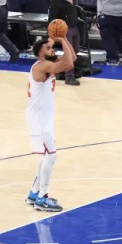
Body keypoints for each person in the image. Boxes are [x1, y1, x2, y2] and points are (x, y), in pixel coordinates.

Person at [25, 35, 75, 212]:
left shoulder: (46, 64)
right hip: (39, 118)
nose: (52, 51)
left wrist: (64, 39)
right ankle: (42, 198)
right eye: (48, 48)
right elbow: (69, 64)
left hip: (42, 116)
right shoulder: (43, 65)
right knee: (51, 156)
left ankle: (34, 193)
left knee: (46, 156)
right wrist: (61, 40)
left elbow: (72, 58)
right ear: (40, 53)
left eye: (52, 48)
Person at [47, 0, 80, 86]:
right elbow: (52, 18)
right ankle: (69, 77)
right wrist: (51, 35)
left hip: (74, 26)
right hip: (65, 29)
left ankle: (58, 69)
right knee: (69, 53)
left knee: (75, 51)